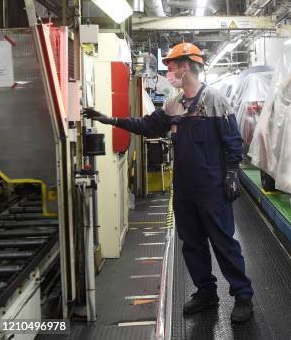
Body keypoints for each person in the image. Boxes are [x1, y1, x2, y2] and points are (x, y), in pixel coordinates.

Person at [84, 42, 254, 323]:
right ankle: (206, 292)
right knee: (192, 243)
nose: (168, 70)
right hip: (185, 189)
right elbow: (148, 126)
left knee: (224, 242)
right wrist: (112, 120)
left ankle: (243, 295)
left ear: (185, 66)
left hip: (212, 188)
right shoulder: (174, 103)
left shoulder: (213, 98)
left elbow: (233, 140)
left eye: (172, 65)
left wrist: (232, 173)